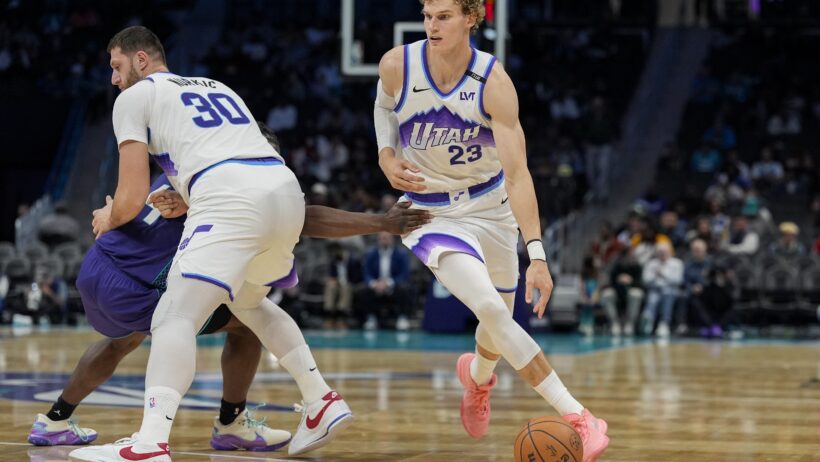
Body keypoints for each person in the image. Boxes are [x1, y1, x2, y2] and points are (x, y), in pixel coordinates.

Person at [70, 26, 426, 462]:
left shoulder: (134, 97)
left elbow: (130, 198)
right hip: (283, 190)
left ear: (141, 60)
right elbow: (224, 154)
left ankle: (149, 444)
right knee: (249, 303)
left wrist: (108, 216)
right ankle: (321, 400)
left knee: (174, 316)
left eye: (117, 66)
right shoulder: (216, 87)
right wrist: (189, 196)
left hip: (230, 197)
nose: (113, 78)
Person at [33, 135, 429, 451]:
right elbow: (306, 218)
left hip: (98, 266)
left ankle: (54, 420)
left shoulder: (186, 162)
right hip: (137, 285)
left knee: (124, 339)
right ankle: (230, 423)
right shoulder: (237, 185)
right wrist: (381, 222)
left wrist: (116, 210)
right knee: (246, 320)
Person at [372, 1, 608, 460]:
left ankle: (477, 380)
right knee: (491, 309)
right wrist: (386, 154)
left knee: (496, 318)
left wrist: (537, 255)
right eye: (427, 15)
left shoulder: (493, 83)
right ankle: (579, 415)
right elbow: (383, 104)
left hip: (490, 207)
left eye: (444, 16)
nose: (432, 25)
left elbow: (518, 175)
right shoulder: (397, 64)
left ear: (471, 18)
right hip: (429, 212)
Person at [361, 232, 412, 331]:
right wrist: (374, 283)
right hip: (376, 285)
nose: (384, 240)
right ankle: (371, 318)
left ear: (392, 240)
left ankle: (402, 318)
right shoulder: (371, 254)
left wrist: (388, 283)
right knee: (363, 290)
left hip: (393, 285)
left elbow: (404, 274)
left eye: (386, 238)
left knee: (404, 289)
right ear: (378, 240)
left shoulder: (401, 254)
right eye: (382, 238)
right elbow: (366, 272)